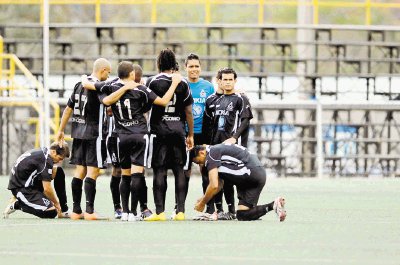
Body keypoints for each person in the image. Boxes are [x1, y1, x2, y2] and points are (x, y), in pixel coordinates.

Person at [83, 61, 182, 221]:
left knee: (125, 174)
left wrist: (83, 78)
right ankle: (134, 213)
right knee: (137, 174)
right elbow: (163, 102)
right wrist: (174, 83)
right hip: (139, 135)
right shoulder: (141, 89)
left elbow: (92, 88)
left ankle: (125, 212)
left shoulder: (111, 86)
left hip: (121, 136)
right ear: (132, 75)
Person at [56, 58, 111, 221]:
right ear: (103, 70)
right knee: (93, 172)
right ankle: (90, 211)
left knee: (79, 171)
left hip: (78, 133)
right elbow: (107, 103)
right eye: (108, 72)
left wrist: (60, 130)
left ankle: (76, 211)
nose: (108, 76)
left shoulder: (79, 85)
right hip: (95, 134)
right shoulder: (99, 87)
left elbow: (68, 109)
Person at [145, 48, 194, 221]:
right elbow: (189, 111)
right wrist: (191, 135)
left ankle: (159, 212)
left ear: (159, 63)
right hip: (178, 130)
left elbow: (145, 107)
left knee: (160, 170)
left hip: (159, 131)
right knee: (179, 170)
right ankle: (180, 211)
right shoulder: (183, 82)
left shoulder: (151, 81)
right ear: (174, 64)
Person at [192, 144, 287, 222]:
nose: (201, 165)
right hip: (257, 174)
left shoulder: (211, 154)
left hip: (250, 172)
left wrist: (202, 203)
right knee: (242, 215)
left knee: (222, 178)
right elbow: (219, 185)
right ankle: (273, 205)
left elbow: (214, 185)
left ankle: (227, 212)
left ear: (202, 152)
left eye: (198, 161)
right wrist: (203, 198)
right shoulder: (217, 151)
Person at [210, 67, 254, 220]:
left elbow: (246, 119)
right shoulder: (218, 100)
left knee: (238, 178)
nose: (228, 82)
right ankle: (225, 210)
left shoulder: (241, 98)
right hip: (219, 146)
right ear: (220, 81)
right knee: (222, 178)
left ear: (235, 81)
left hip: (235, 147)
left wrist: (235, 137)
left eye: (230, 79)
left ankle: (244, 207)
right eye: (225, 79)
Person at [178, 53, 214, 216]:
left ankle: (210, 208)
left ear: (201, 68)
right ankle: (180, 208)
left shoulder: (208, 87)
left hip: (203, 134)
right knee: (184, 171)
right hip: (185, 134)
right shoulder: (180, 85)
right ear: (185, 68)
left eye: (196, 66)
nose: (194, 69)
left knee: (206, 171)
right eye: (191, 66)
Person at [3, 142, 70, 219]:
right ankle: (17, 204)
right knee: (51, 212)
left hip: (28, 181)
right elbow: (47, 189)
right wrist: (56, 203)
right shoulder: (46, 160)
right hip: (21, 188)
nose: (60, 161)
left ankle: (64, 209)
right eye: (60, 158)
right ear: (54, 152)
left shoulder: (45, 152)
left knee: (58, 171)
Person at [105, 108, 123, 219]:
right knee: (118, 170)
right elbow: (108, 109)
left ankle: (140, 208)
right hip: (114, 136)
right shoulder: (110, 90)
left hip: (134, 132)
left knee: (137, 170)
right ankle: (117, 207)